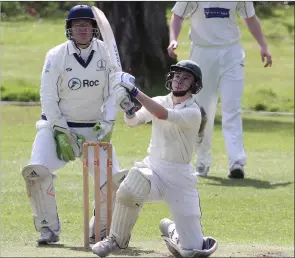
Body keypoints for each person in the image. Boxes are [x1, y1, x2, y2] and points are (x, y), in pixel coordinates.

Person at [21, 5, 130, 245]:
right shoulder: (56, 55)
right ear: (69, 29)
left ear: (94, 28)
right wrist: (60, 130)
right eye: (77, 25)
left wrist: (108, 120)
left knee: (114, 180)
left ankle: (99, 229)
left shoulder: (106, 54)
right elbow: (47, 95)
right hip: (56, 126)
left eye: (87, 25)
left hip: (94, 127)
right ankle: (48, 228)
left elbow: (115, 89)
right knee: (35, 172)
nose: (82, 29)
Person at [91, 60, 218, 257]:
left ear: (194, 85)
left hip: (180, 179)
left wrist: (134, 92)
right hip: (154, 169)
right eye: (177, 76)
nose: (179, 81)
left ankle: (173, 231)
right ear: (171, 79)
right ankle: (115, 240)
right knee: (130, 188)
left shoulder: (193, 112)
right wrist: (129, 110)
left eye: (186, 78)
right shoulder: (159, 100)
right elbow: (135, 121)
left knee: (193, 252)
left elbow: (161, 114)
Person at [168, 2, 273, 179]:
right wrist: (173, 38)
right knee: (202, 112)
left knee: (232, 109)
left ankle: (236, 163)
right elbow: (177, 15)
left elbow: (250, 18)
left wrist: (263, 45)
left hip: (231, 53)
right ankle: (202, 162)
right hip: (202, 53)